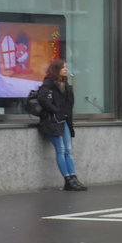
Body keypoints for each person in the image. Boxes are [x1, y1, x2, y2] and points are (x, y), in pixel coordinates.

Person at [36, 59, 87, 190]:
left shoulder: (65, 84)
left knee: (69, 150)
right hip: (52, 122)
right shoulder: (49, 83)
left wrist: (65, 115)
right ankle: (68, 179)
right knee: (61, 149)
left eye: (66, 67)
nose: (66, 69)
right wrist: (56, 110)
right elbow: (42, 98)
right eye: (63, 67)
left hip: (64, 121)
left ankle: (73, 177)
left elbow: (69, 104)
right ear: (56, 69)